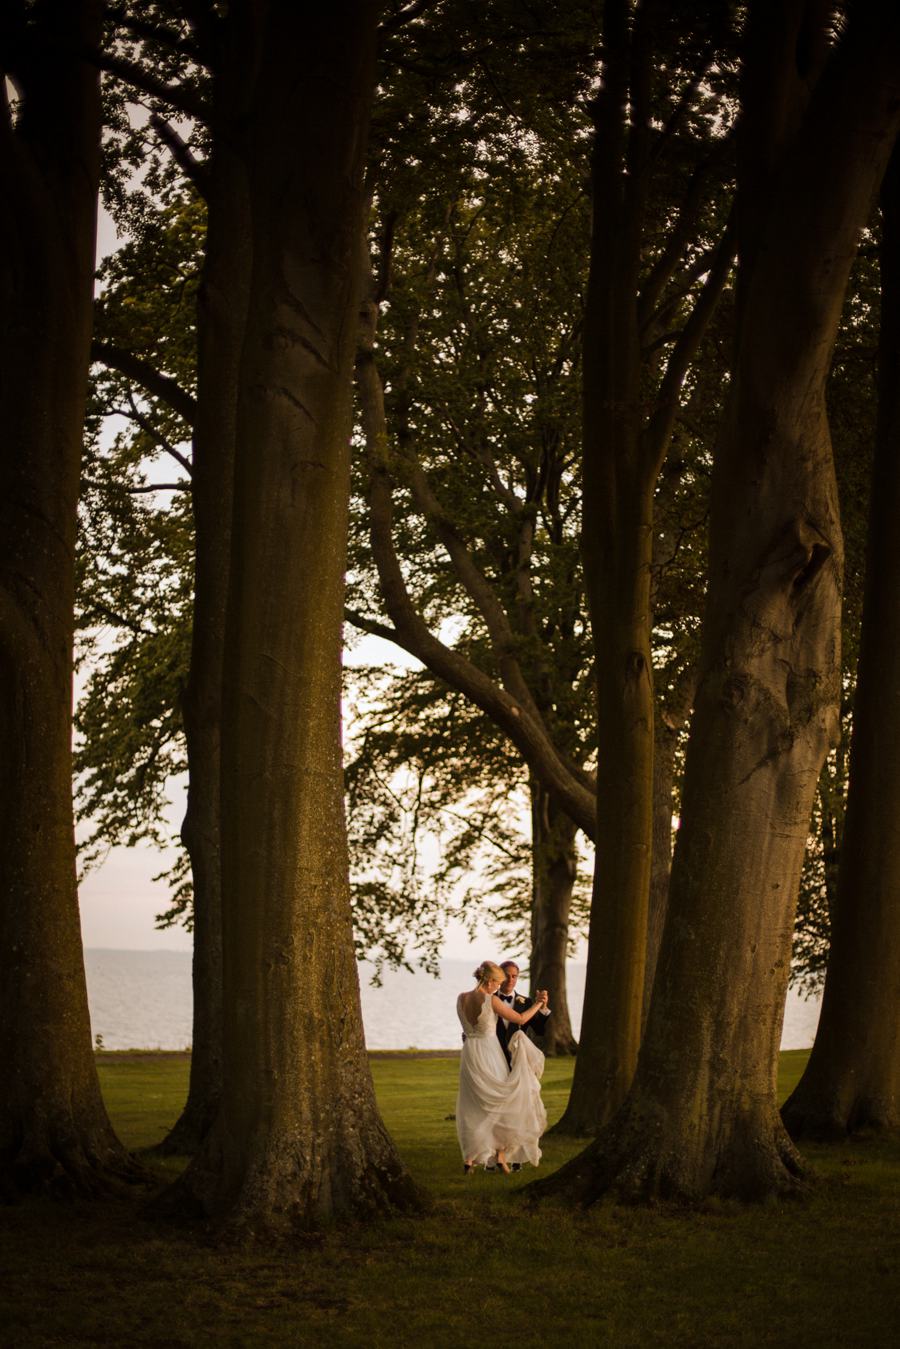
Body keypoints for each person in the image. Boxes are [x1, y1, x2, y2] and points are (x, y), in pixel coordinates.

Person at [455, 960, 548, 1174]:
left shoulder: (461, 998)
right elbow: (522, 1018)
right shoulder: (491, 1000)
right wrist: (538, 1004)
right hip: (490, 1053)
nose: (499, 986)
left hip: (470, 1053)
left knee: (474, 1104)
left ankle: (474, 1160)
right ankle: (499, 1156)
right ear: (490, 980)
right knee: (503, 1101)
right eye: (498, 982)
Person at [495, 960, 550, 1068]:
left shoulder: (527, 1002)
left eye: (514, 976)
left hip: (518, 1057)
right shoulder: (489, 1000)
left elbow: (539, 1030)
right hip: (494, 1056)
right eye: (507, 976)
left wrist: (543, 1007)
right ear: (499, 976)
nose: (511, 979)